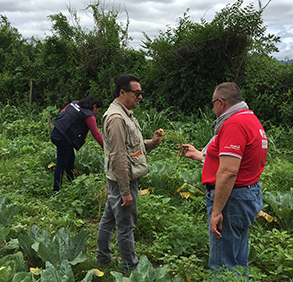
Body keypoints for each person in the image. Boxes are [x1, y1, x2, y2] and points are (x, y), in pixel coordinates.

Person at [179, 82, 267, 273]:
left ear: (221, 102)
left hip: (232, 200)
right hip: (245, 195)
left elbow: (228, 172)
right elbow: (231, 161)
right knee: (237, 257)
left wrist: (216, 211)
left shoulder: (234, 124)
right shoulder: (250, 119)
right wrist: (198, 154)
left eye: (212, 104)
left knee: (223, 265)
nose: (212, 109)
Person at [96, 74, 164, 274]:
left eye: (141, 93)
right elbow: (118, 156)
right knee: (126, 225)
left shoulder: (125, 114)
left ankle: (102, 257)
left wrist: (152, 143)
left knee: (109, 218)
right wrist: (125, 190)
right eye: (137, 93)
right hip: (122, 180)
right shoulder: (116, 119)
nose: (140, 97)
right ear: (122, 92)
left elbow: (131, 148)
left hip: (119, 179)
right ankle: (131, 269)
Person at [51, 96, 104, 194]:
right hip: (64, 139)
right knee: (61, 164)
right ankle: (56, 191)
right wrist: (105, 147)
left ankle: (72, 183)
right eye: (98, 110)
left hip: (55, 132)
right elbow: (95, 133)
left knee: (70, 159)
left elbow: (62, 112)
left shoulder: (74, 103)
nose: (97, 113)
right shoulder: (89, 116)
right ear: (94, 106)